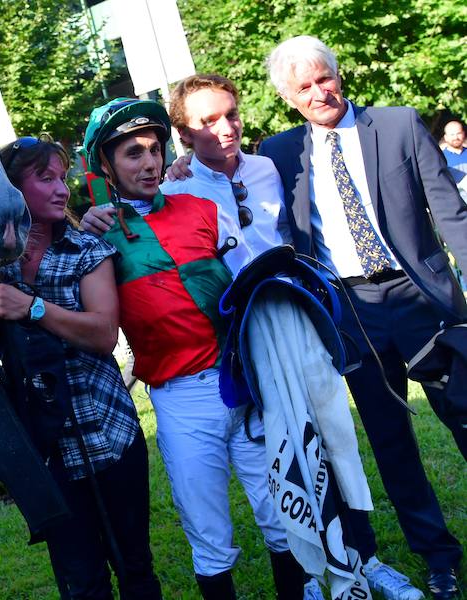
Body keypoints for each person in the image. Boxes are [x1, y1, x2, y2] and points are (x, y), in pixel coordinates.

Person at [155, 72, 427, 600]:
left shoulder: (268, 167)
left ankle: (364, 559)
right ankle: (309, 570)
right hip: (240, 338)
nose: (225, 128)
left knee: (333, 437)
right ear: (183, 135)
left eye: (230, 113)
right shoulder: (174, 189)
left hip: (303, 320)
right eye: (207, 122)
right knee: (283, 448)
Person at [80, 97, 315, 600]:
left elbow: (250, 279)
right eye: (132, 154)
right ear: (105, 163)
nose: (148, 163)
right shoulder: (96, 234)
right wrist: (82, 227)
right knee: (210, 536)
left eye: (154, 149)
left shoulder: (201, 208)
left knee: (281, 517)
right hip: (181, 398)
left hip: (242, 383)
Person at [259, 35, 466, 600]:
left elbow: (452, 214)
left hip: (422, 298)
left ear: (338, 76)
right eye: (304, 86)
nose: (319, 91)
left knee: (465, 411)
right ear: (289, 98)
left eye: (324, 78)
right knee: (391, 440)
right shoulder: (278, 154)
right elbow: (226, 174)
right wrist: (180, 164)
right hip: (350, 313)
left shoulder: (398, 125)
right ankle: (438, 558)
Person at [0, 136, 161, 599]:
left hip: (109, 436)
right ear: (9, 189)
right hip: (48, 452)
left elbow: (104, 333)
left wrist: (33, 308)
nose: (62, 189)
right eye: (45, 179)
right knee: (81, 581)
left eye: (62, 178)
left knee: (135, 568)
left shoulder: (87, 250)